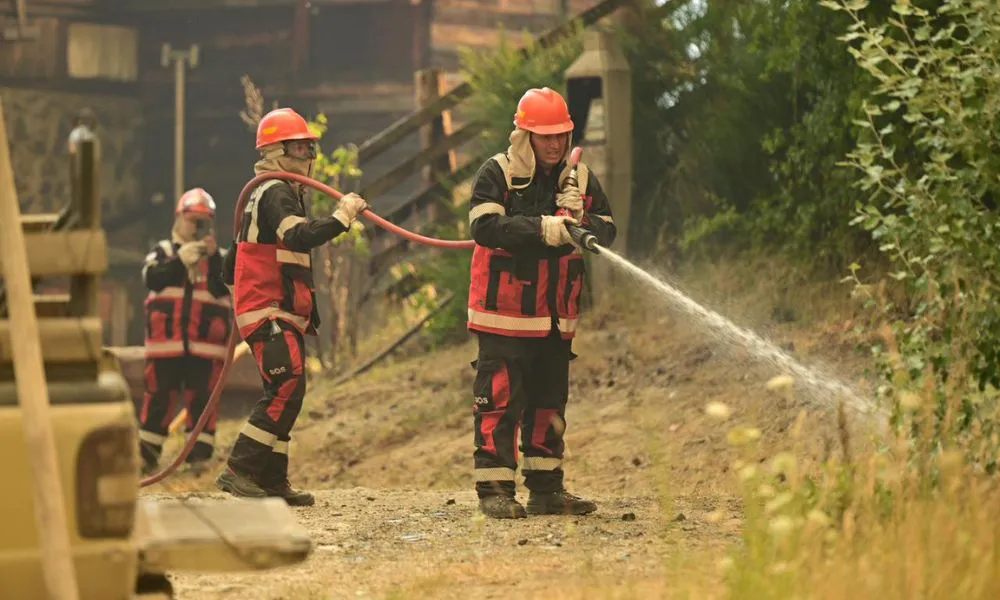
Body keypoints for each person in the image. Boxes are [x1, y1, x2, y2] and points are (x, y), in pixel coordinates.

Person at [466, 87, 617, 519]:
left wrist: (582, 219)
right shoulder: (497, 172)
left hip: (555, 317)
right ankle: (494, 489)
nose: (554, 144)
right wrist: (542, 229)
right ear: (524, 136)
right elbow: (485, 226)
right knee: (499, 401)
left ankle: (547, 489)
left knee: (550, 402)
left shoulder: (581, 178)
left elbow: (607, 231)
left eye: (561, 136)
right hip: (504, 314)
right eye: (544, 136)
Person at [217, 107, 367, 506]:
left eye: (309, 147)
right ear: (276, 151)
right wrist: (342, 217)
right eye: (299, 148)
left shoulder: (272, 192)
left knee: (288, 389)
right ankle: (240, 470)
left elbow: (228, 265)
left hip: (279, 310)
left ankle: (272, 481)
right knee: (288, 384)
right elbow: (298, 237)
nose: (308, 157)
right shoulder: (274, 191)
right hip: (269, 310)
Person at [139, 187, 231, 475]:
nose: (197, 227)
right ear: (179, 218)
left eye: (204, 221)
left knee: (203, 400)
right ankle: (146, 457)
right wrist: (180, 261)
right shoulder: (163, 252)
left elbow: (223, 288)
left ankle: (199, 459)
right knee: (158, 399)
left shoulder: (220, 259)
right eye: (192, 220)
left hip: (206, 346)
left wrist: (214, 258)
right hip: (166, 344)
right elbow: (152, 278)